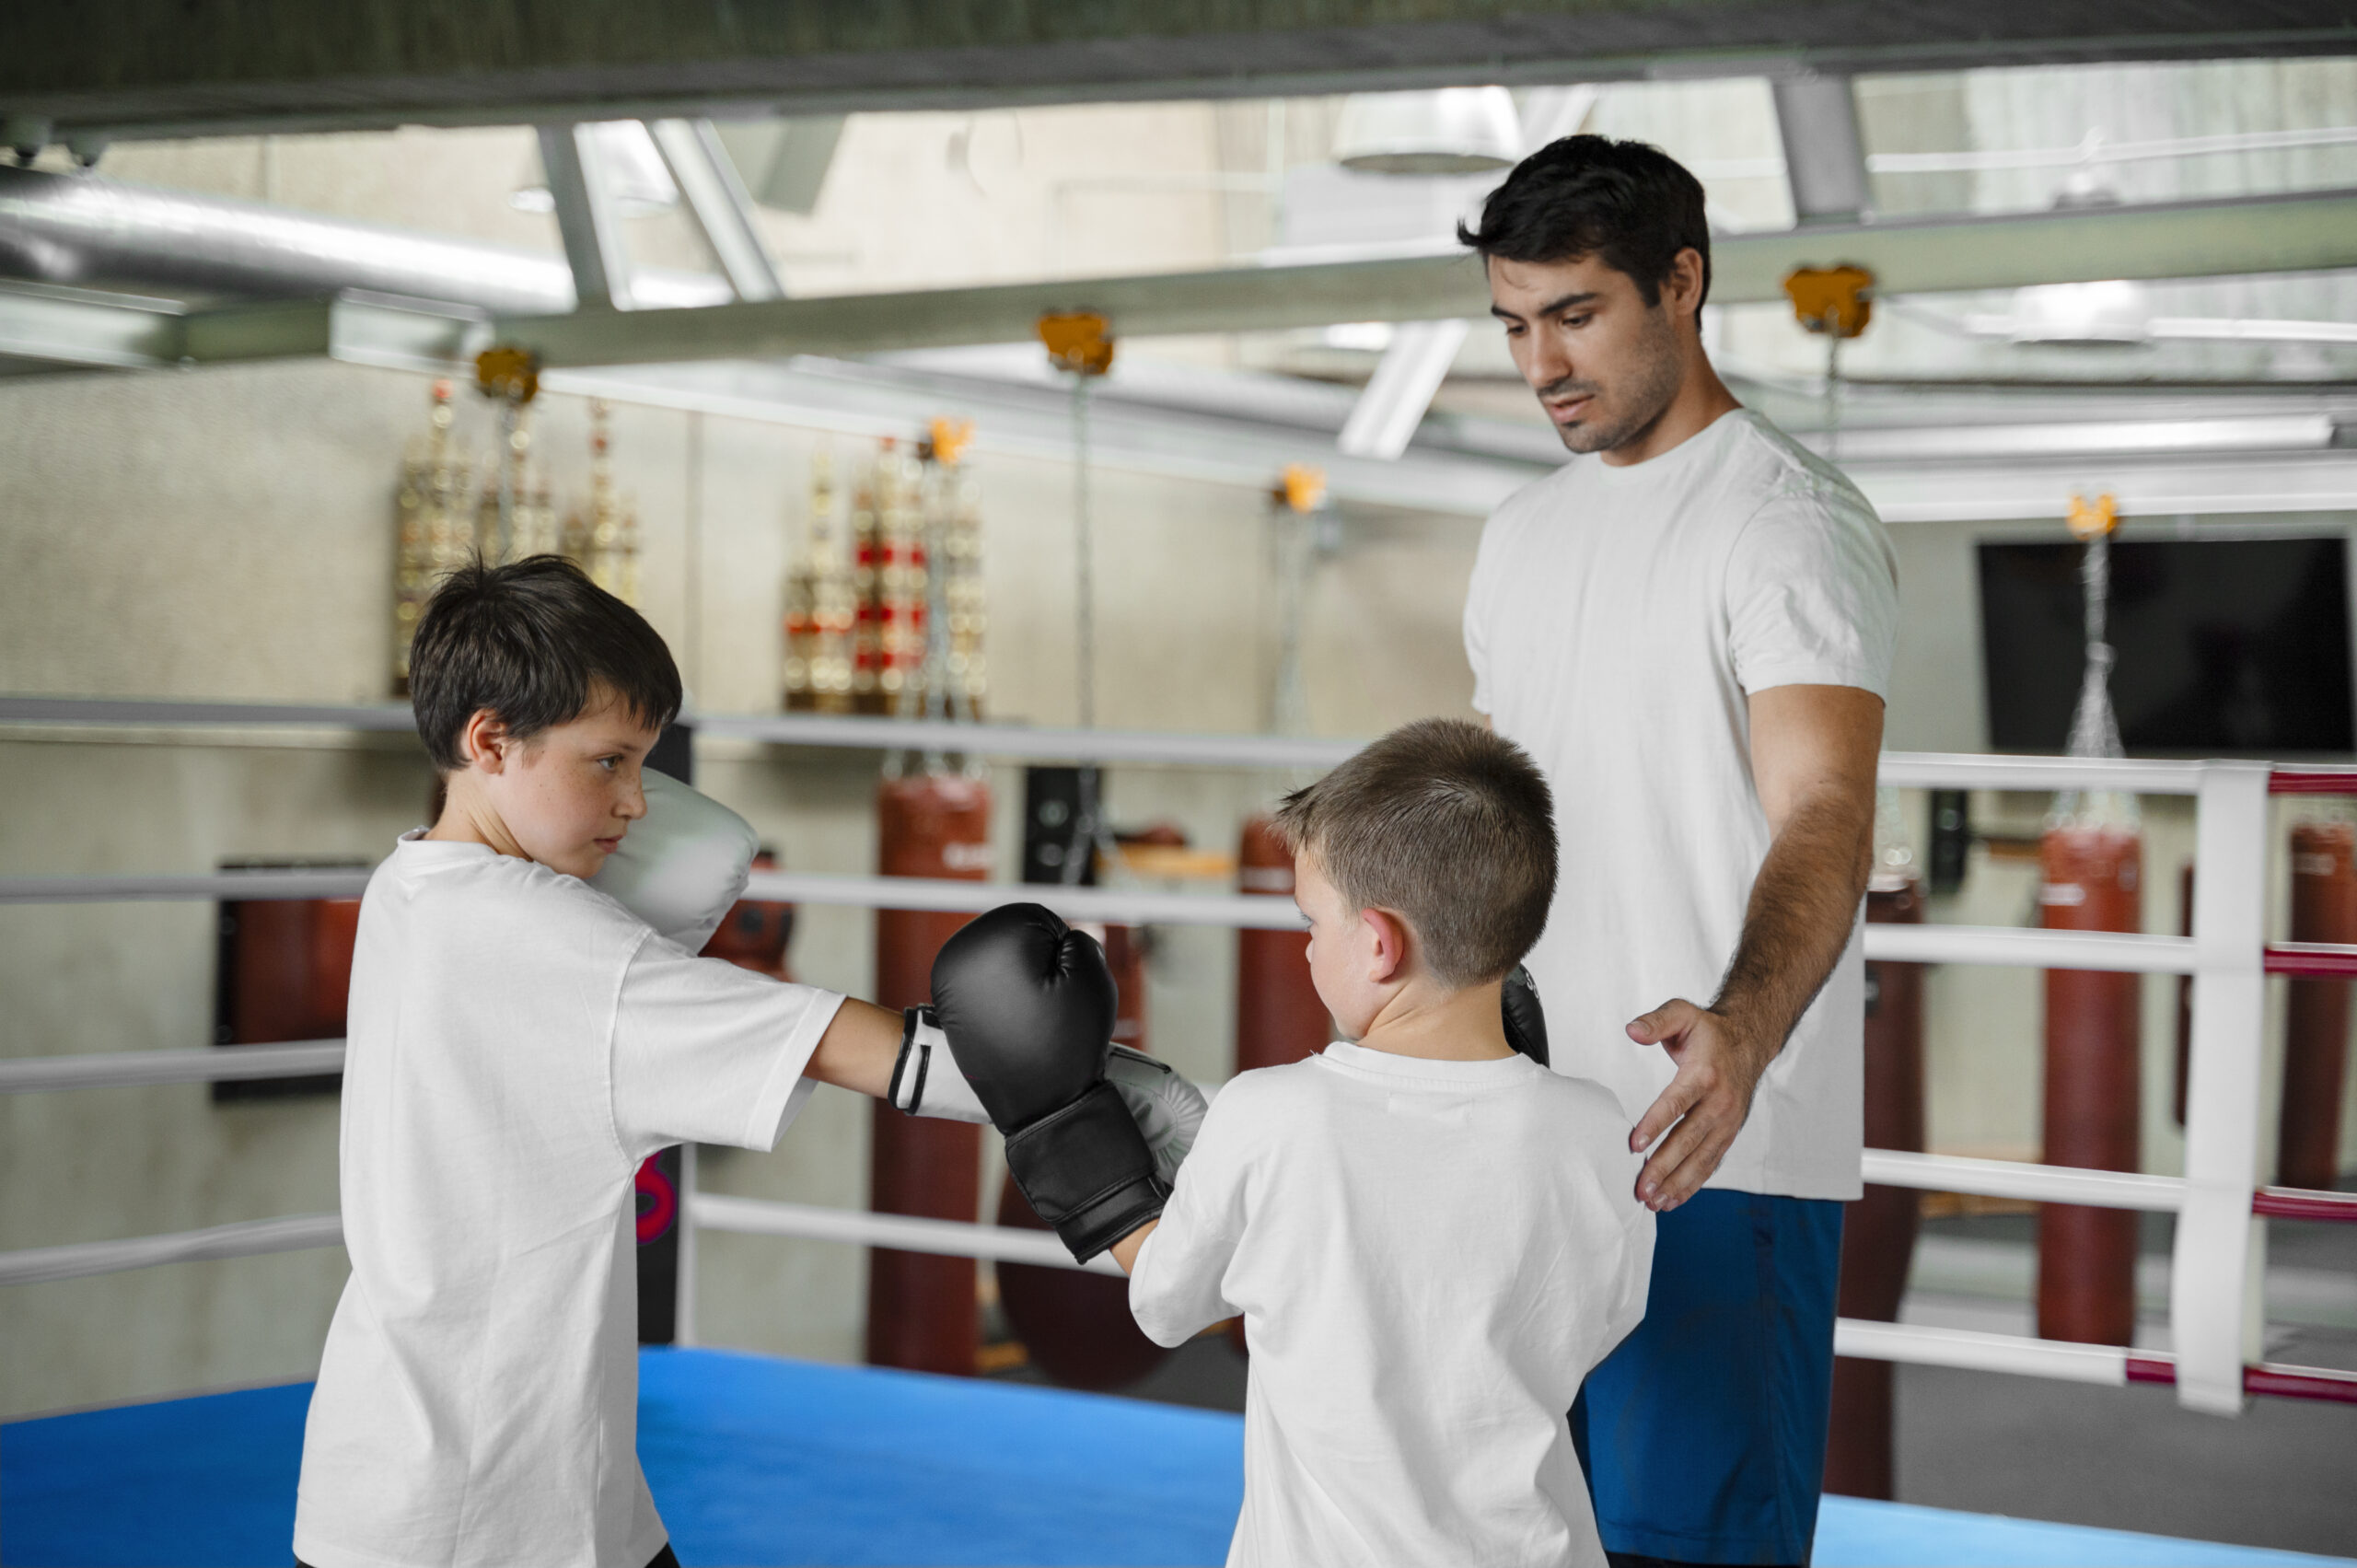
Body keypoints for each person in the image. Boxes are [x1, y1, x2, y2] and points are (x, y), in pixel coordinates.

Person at [291, 555, 1201, 1568]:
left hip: (445, 1463)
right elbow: (855, 1048)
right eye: (608, 762)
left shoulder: (412, 879)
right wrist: (1114, 1086)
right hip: (483, 1516)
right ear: (490, 739)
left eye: (644, 765)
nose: (638, 804)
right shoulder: (556, 945)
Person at [1457, 135, 1899, 1567]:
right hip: (1532, 1135)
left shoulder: (1786, 522)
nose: (1542, 364)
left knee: (1684, 1547)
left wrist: (1745, 1031)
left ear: (1682, 283)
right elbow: (1506, 828)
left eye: (1576, 314)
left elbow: (1824, 812)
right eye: (1514, 325)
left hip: (1708, 1137)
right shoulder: (1518, 533)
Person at [929, 719, 1654, 1567]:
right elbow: (1606, 1320)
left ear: (1378, 944)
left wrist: (1060, 1121)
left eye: (1312, 921)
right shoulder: (1601, 1130)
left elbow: (1167, 1303)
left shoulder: (1274, 1114)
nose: (1306, 947)